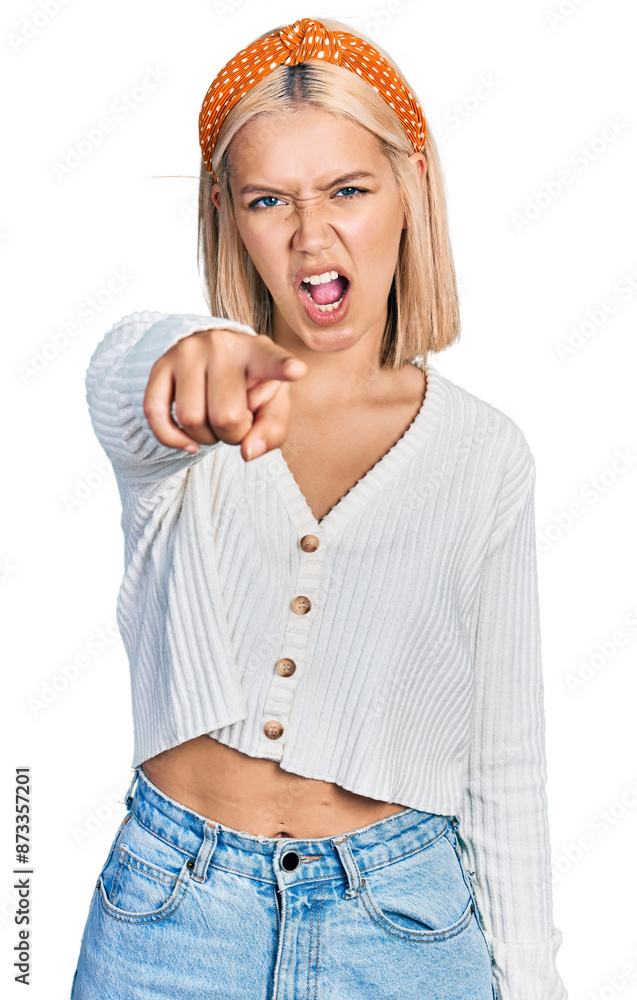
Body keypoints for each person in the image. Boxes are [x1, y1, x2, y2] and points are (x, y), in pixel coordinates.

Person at [70, 16, 567, 1000]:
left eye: (347, 189)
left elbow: (505, 765)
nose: (311, 234)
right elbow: (122, 379)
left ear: (411, 185)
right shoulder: (194, 418)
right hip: (171, 920)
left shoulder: (483, 454)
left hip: (406, 925)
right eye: (268, 200)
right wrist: (187, 355)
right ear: (227, 213)